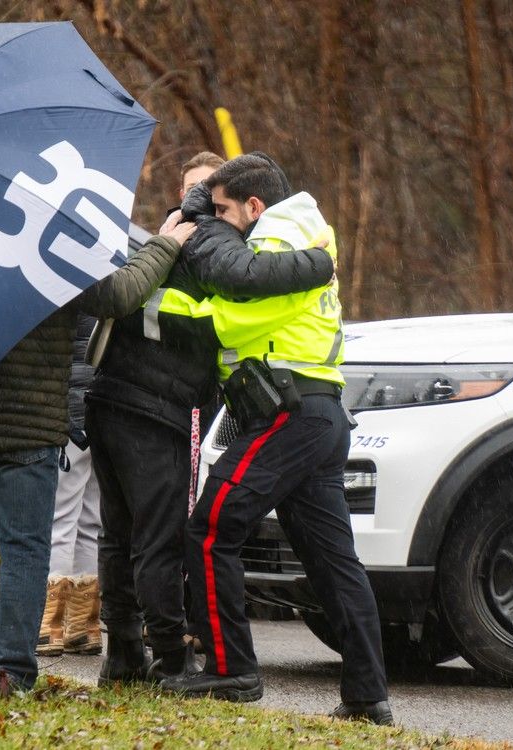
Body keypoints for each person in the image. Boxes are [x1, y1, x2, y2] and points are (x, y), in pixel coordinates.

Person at [0, 219, 195, 699]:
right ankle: (9, 673)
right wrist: (165, 243)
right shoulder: (54, 241)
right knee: (24, 551)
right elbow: (122, 294)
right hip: (28, 425)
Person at [85, 153, 335, 686]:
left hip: (112, 398)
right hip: (154, 406)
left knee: (120, 533)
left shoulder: (161, 239)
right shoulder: (207, 241)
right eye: (206, 199)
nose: (211, 212)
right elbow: (248, 277)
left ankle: (124, 650)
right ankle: (172, 655)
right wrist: (320, 263)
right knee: (159, 536)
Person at [159, 155, 392, 724]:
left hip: (291, 413)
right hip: (314, 415)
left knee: (212, 527)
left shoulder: (284, 231)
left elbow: (241, 308)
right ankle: (367, 698)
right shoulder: (297, 229)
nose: (216, 221)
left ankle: (230, 670)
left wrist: (179, 303)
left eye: (222, 210)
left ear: (254, 207)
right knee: (333, 564)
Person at [36, 313, 103, 658]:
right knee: (91, 521)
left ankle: (49, 625)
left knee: (60, 519)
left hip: (70, 412)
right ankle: (85, 627)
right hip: (100, 407)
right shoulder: (114, 270)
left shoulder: (68, 283)